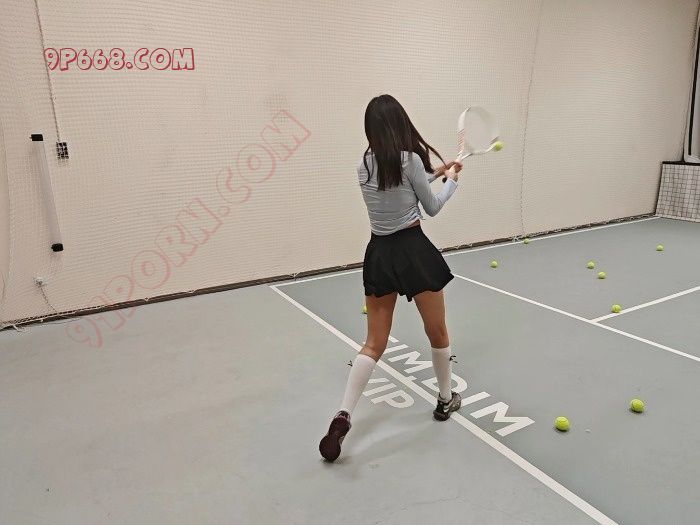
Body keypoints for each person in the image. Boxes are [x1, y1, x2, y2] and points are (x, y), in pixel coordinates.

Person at [319, 94, 463, 462]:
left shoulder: (364, 165)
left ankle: (343, 415)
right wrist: (450, 183)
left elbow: (398, 185)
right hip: (413, 252)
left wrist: (436, 171)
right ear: (400, 123)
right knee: (437, 332)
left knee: (373, 343)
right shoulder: (410, 160)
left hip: (379, 254)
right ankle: (445, 400)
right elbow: (431, 206)